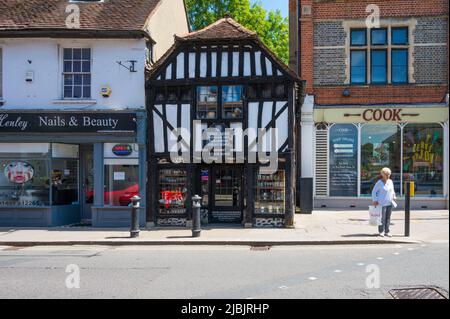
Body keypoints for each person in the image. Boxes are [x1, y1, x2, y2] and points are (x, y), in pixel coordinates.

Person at [372, 167, 397, 237]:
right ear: (383, 175)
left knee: (388, 218)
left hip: (389, 202)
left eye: (389, 174)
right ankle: (381, 231)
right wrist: (375, 200)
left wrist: (394, 196)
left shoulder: (390, 181)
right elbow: (374, 192)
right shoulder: (379, 183)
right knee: (382, 218)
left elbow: (392, 190)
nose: (388, 176)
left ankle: (387, 231)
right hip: (381, 203)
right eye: (387, 174)